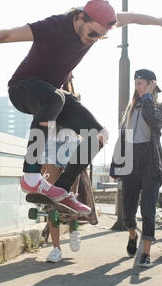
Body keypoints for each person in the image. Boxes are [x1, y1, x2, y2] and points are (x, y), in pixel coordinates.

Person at [0, 0, 162, 218]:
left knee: (99, 134)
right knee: (56, 98)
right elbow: (5, 35)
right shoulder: (52, 26)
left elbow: (134, 17)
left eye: (101, 37)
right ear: (80, 18)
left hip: (52, 97)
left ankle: (61, 189)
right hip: (22, 89)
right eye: (93, 33)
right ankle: (31, 174)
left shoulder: (97, 27)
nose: (94, 39)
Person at [109, 69, 162, 267]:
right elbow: (122, 139)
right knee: (128, 208)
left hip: (151, 162)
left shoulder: (161, 107)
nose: (137, 87)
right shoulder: (131, 109)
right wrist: (115, 164)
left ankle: (146, 253)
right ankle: (132, 235)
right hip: (130, 162)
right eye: (136, 83)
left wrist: (146, 98)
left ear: (151, 85)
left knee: (148, 209)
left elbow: (154, 122)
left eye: (141, 83)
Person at [41, 73, 98, 263]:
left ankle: (74, 228)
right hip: (50, 149)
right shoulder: (46, 95)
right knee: (51, 202)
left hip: (71, 150)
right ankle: (56, 249)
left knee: (68, 198)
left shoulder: (75, 100)